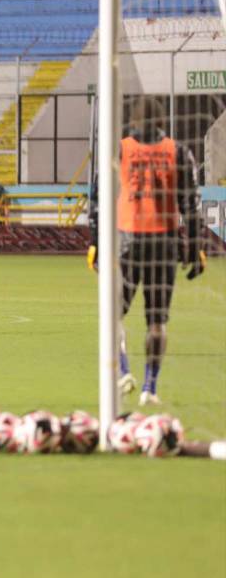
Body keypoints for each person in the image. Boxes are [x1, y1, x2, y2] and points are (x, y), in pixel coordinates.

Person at [88, 96, 206, 406]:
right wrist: (194, 248)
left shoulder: (120, 150)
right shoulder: (178, 152)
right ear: (161, 123)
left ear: (134, 122)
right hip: (164, 244)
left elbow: (99, 198)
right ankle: (150, 389)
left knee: (113, 314)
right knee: (157, 321)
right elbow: (191, 206)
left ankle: (123, 369)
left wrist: (96, 242)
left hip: (127, 241)